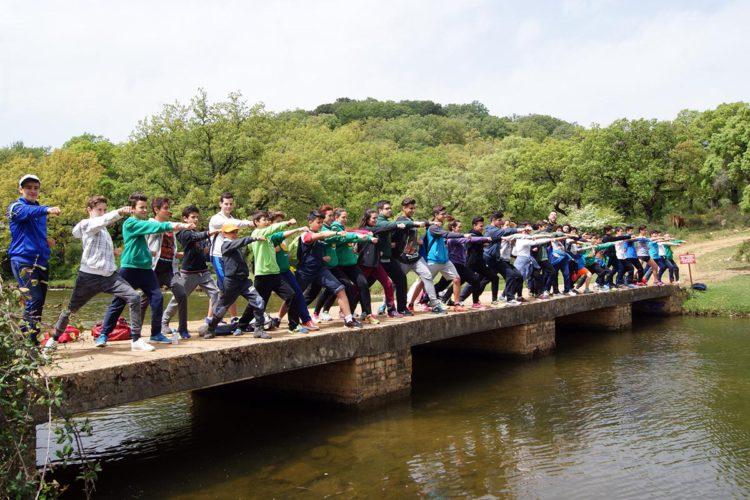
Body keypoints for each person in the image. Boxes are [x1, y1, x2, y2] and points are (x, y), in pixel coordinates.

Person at [43, 196, 142, 354]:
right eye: (99, 210)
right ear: (89, 210)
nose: (102, 213)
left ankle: (136, 339)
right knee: (70, 310)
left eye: (104, 210)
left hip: (109, 277)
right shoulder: (87, 224)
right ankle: (53, 339)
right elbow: (99, 223)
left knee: (134, 297)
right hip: (88, 277)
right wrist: (119, 212)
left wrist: (115, 253)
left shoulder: (105, 232)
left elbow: (100, 246)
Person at [97, 192, 195, 350]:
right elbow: (154, 226)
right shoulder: (130, 223)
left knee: (157, 298)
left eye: (145, 207)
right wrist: (179, 225)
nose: (144, 210)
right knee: (119, 301)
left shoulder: (145, 223)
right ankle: (104, 334)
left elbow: (155, 227)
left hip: (149, 269)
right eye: (141, 207)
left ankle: (156, 333)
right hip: (129, 268)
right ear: (132, 209)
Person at [7, 174, 61, 344]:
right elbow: (26, 213)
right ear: (20, 189)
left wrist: (45, 242)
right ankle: (30, 343)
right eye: (28, 187)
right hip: (23, 260)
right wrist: (47, 209)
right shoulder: (16, 207)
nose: (32, 190)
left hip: (41, 261)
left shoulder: (38, 210)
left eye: (35, 188)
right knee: (33, 299)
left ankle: (26, 339)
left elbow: (29, 232)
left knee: (38, 303)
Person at [295, 210, 367, 329]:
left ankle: (349, 319)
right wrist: (337, 234)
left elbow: (318, 247)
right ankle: (279, 318)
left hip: (321, 270)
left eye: (322, 222)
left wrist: (323, 257)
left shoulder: (321, 233)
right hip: (305, 271)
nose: (321, 224)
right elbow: (320, 236)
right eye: (318, 222)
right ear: (310, 222)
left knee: (340, 289)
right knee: (294, 295)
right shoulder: (306, 234)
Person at [161, 205, 221, 338]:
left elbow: (201, 246)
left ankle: (211, 322)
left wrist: (206, 250)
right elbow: (195, 237)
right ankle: (164, 322)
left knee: (215, 293)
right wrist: (209, 233)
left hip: (203, 272)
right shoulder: (183, 233)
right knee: (178, 298)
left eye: (197, 217)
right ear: (185, 219)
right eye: (193, 217)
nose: (196, 219)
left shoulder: (197, 232)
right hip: (188, 273)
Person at [201, 223, 268, 338]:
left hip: (244, 282)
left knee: (259, 301)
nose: (234, 234)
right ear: (224, 234)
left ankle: (259, 329)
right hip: (231, 283)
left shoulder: (235, 246)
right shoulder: (225, 245)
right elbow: (240, 242)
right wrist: (253, 238)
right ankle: (211, 328)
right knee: (222, 308)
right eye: (231, 232)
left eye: (236, 232)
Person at [249, 211, 311, 334]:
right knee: (259, 302)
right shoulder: (257, 233)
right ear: (256, 222)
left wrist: (297, 230)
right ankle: (246, 324)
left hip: (275, 273)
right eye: (264, 220)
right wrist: (287, 223)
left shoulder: (269, 237)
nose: (267, 222)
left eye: (267, 220)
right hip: (262, 275)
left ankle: (293, 325)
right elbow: (273, 228)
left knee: (291, 295)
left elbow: (281, 234)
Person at [143, 198, 190, 334]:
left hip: (170, 268)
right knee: (145, 300)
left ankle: (183, 329)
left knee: (182, 294)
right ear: (156, 210)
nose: (168, 210)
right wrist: (147, 253)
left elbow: (170, 245)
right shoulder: (150, 224)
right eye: (165, 208)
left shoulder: (170, 227)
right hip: (154, 268)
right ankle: (136, 330)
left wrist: (176, 254)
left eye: (168, 207)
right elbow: (144, 243)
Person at [393, 198, 447, 314]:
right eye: (410, 208)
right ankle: (387, 304)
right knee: (395, 282)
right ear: (404, 208)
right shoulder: (401, 220)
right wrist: (430, 223)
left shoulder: (411, 220)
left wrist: (417, 241)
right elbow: (404, 227)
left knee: (427, 276)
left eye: (414, 208)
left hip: (415, 257)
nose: (413, 210)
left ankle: (435, 304)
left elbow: (412, 231)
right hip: (403, 258)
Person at [208, 192, 254, 318]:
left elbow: (235, 222)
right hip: (218, 256)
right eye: (226, 204)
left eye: (231, 204)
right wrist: (249, 223)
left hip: (228, 258)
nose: (228, 206)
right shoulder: (216, 219)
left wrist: (250, 223)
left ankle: (213, 317)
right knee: (227, 288)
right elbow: (233, 223)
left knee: (222, 289)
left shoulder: (231, 219)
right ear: (220, 204)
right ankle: (225, 317)